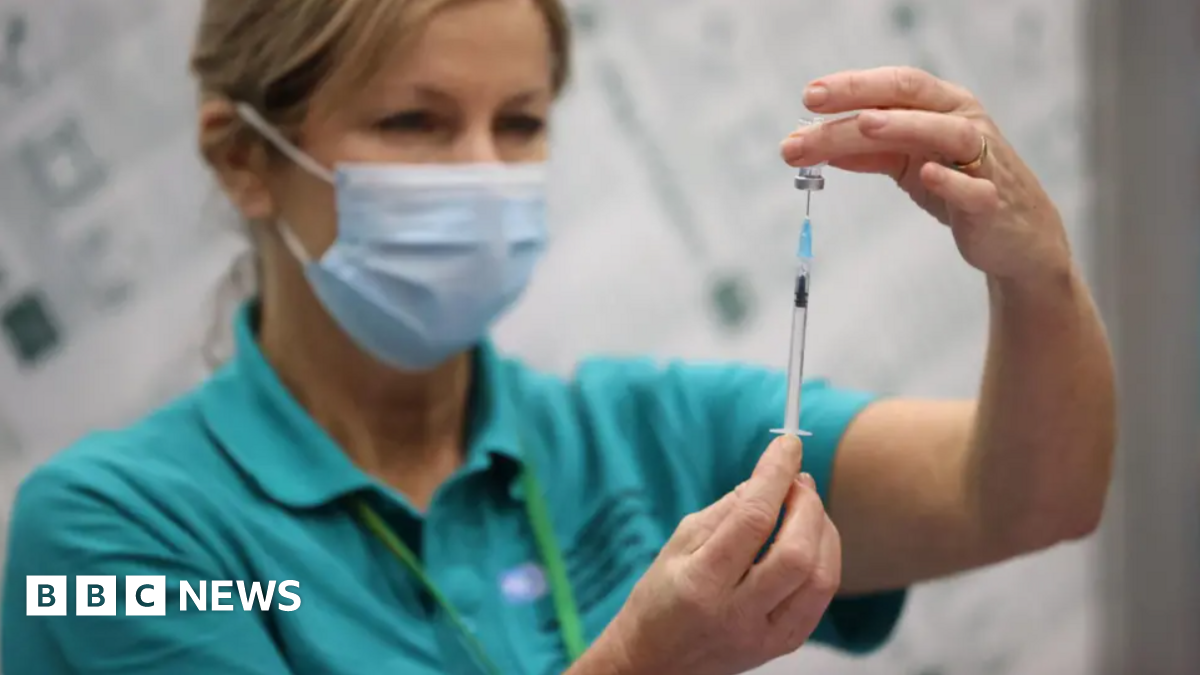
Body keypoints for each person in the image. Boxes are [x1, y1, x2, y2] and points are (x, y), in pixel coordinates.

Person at [0, 0, 1116, 673]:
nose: (486, 171)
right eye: (415, 122)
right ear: (244, 158)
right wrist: (646, 664)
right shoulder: (109, 541)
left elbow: (1029, 496)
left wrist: (1037, 274)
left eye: (520, 122)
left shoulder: (646, 436)